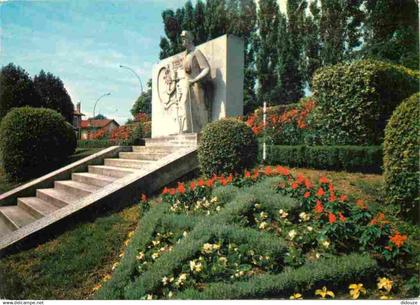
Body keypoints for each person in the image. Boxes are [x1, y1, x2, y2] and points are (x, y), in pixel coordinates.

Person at [178, 30, 210, 133]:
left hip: (196, 85)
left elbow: (206, 68)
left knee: (199, 108)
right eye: (182, 39)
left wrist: (195, 79)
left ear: (189, 40)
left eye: (184, 39)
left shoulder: (196, 52)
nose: (182, 41)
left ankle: (204, 131)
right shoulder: (185, 55)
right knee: (185, 106)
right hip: (187, 85)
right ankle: (188, 129)